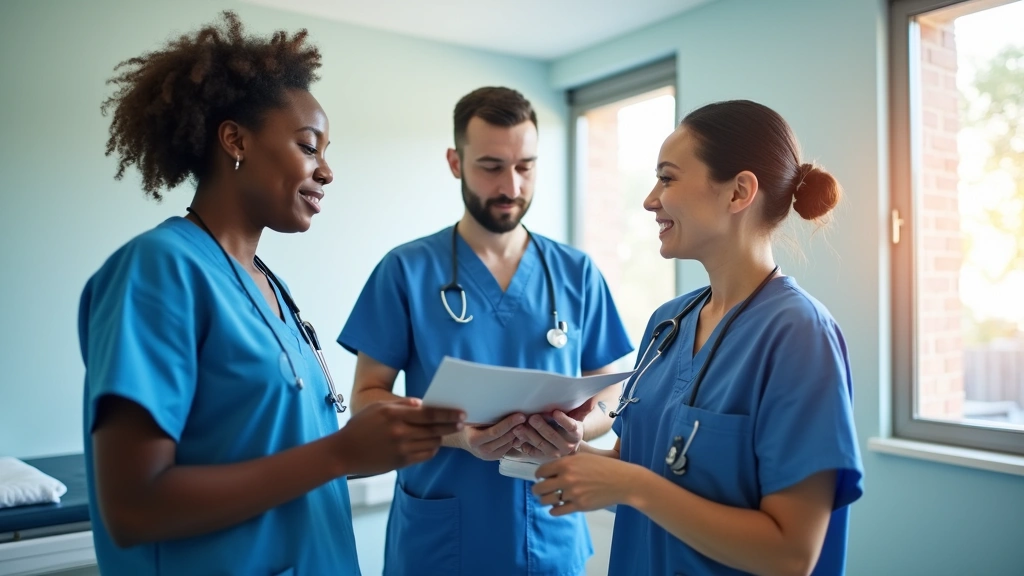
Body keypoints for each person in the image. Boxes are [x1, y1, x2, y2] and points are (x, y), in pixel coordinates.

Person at [79, 12, 465, 576]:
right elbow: (134, 507)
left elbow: (283, 454)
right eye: (310, 147)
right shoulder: (159, 270)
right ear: (235, 139)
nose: (327, 171)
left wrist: (382, 444)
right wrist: (340, 453)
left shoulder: (268, 285)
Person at [532, 100, 864, 576]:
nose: (650, 199)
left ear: (738, 192)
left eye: (667, 178)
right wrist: (558, 450)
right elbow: (636, 468)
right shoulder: (667, 324)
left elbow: (792, 554)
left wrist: (631, 486)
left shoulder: (799, 335)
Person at [337, 86, 633, 575]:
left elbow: (611, 391)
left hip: (550, 532)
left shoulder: (577, 272)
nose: (512, 187)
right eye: (491, 166)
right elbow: (367, 398)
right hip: (440, 541)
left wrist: (582, 427)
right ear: (456, 162)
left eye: (525, 166)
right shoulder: (405, 270)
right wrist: (455, 435)